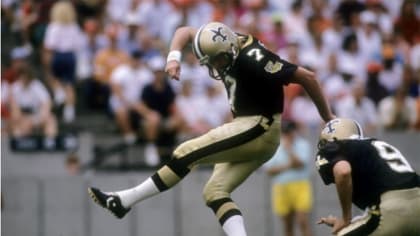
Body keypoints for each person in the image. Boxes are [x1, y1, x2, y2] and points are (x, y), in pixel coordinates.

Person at [88, 21, 334, 236]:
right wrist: (173, 57)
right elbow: (185, 31)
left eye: (217, 59)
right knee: (214, 191)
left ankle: (124, 200)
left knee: (185, 152)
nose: (215, 66)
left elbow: (307, 77)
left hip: (259, 126)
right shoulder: (222, 39)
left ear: (230, 49)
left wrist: (328, 117)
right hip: (250, 128)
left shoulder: (254, 58)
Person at [315, 118, 420, 235]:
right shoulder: (374, 144)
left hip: (390, 211)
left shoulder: (334, 147)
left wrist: (345, 219)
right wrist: (352, 224)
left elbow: (342, 171)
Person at [264, 121, 313, 236]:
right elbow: (270, 171)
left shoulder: (303, 144)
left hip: (301, 185)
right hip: (281, 187)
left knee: (303, 221)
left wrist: (289, 150)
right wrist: (289, 165)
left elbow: (301, 163)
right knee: (287, 225)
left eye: (289, 132)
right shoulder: (275, 147)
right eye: (285, 132)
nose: (287, 135)